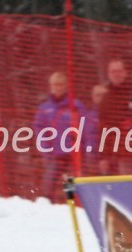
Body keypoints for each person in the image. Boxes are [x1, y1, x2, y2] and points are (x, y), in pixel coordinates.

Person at [32, 71, 85, 201]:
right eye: (55, 84)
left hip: (73, 154)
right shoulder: (44, 108)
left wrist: (83, 148)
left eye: (61, 84)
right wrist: (45, 149)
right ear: (51, 86)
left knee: (72, 186)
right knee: (48, 186)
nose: (58, 87)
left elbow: (85, 127)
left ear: (66, 86)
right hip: (54, 155)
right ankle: (49, 209)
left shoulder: (75, 105)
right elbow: (39, 130)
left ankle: (73, 206)